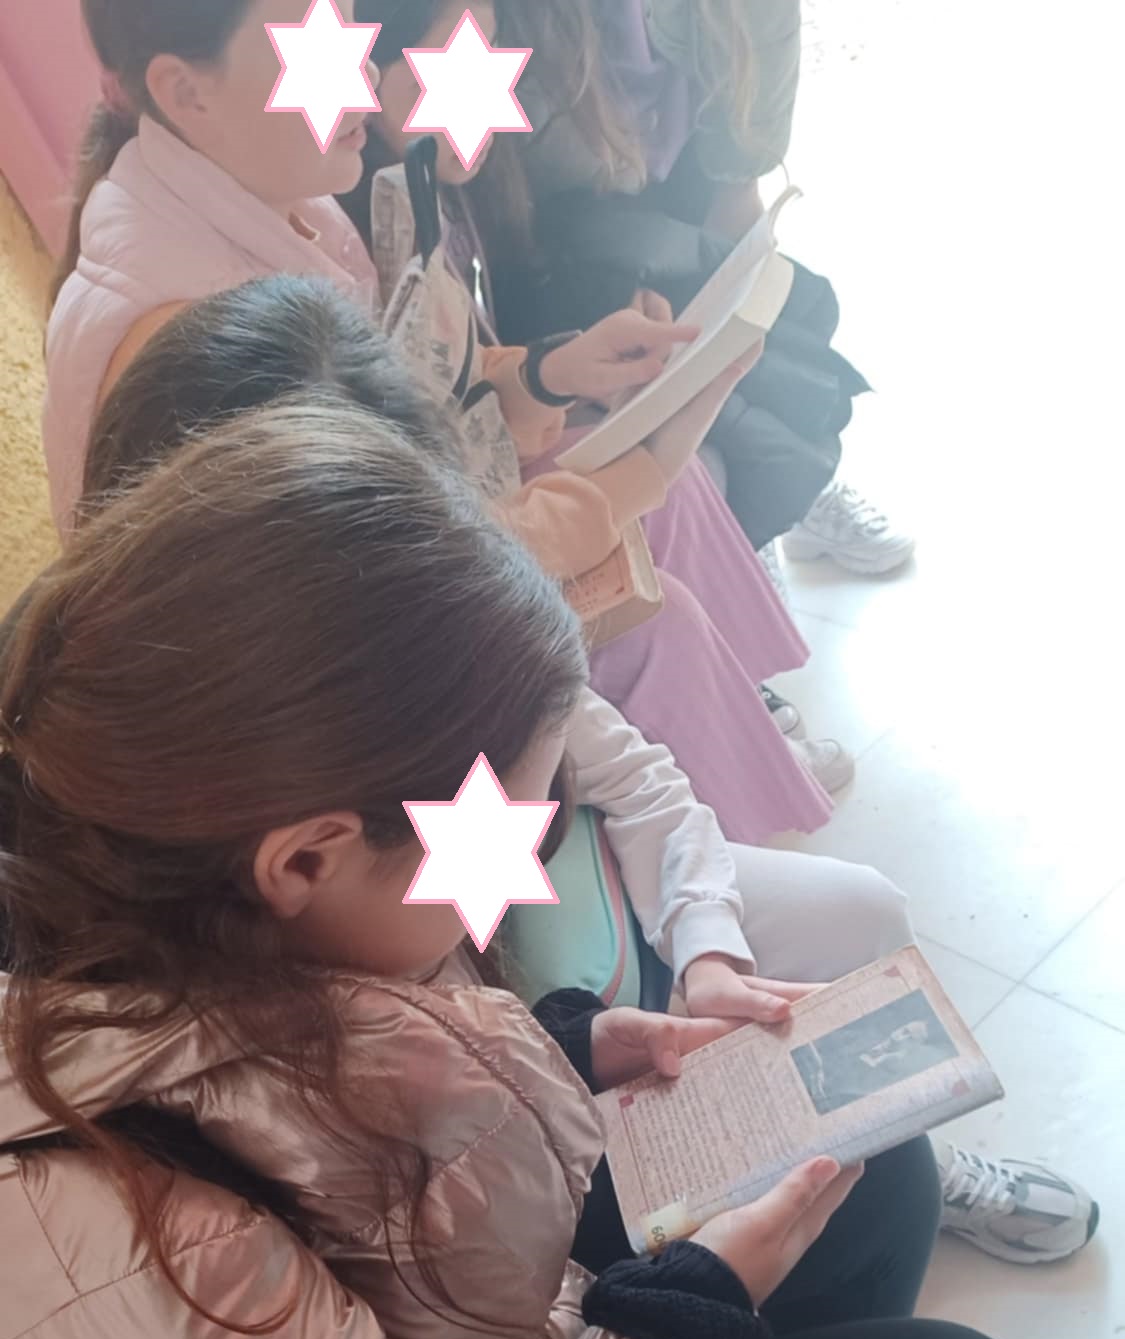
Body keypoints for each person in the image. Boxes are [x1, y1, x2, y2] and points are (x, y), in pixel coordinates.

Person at [2, 402, 1124, 1339]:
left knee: (866, 1169)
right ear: (309, 857)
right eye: (507, 821)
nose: (524, 859)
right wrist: (671, 1338)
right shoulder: (129, 1287)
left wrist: (567, 1042)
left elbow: (265, 1113)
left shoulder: (167, 902)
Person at [69, 272, 1098, 1267]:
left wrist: (690, 961)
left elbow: (629, 782)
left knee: (856, 926)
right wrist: (688, 1296)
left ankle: (891, 1135)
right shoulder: (243, 1041)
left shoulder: (442, 647)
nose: (535, 804)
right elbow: (460, 1285)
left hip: (553, 997)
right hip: (516, 1068)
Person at [44, 0, 850, 845]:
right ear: (186, 90)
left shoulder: (275, 189)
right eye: (316, 51)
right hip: (332, 679)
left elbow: (407, 386)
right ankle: (716, 865)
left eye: (350, 30)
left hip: (387, 548)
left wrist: (549, 372)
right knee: (653, 615)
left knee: (660, 493)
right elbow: (397, 584)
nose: (362, 75)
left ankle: (739, 755)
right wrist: (636, 472)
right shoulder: (203, 336)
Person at [497, 0, 915, 577]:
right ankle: (741, 523)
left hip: (683, 148)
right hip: (546, 205)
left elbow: (762, 42)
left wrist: (741, 179)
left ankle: (782, 498)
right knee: (641, 364)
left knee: (747, 318)